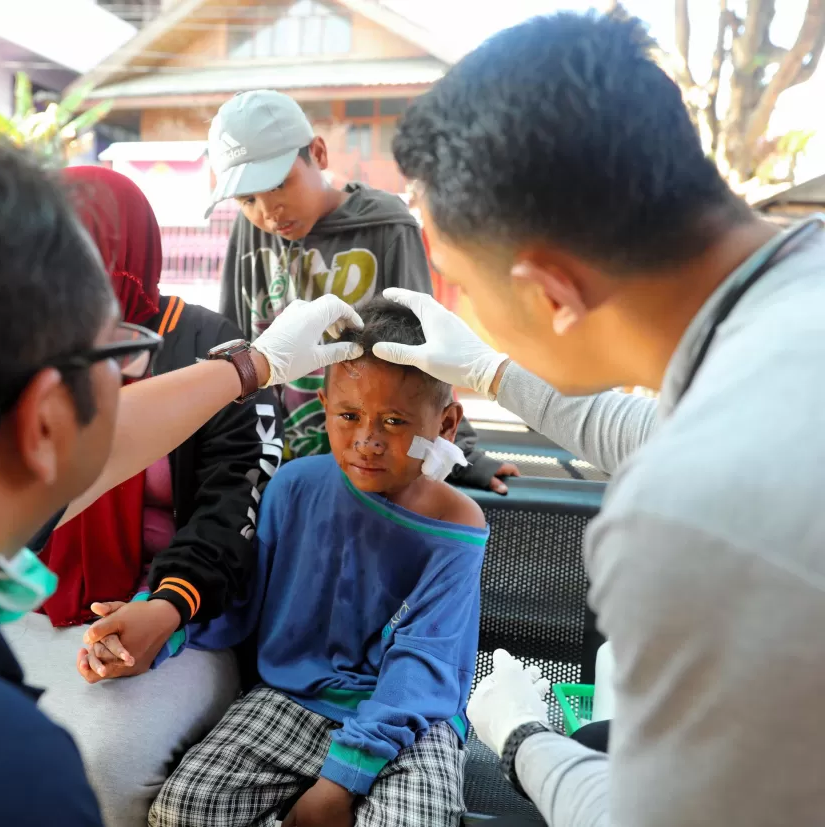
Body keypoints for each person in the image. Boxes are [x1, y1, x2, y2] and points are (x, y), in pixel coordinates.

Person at [0, 125, 361, 826]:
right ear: (45, 418)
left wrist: (252, 367)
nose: (131, 375)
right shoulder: (6, 772)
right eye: (117, 353)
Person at [373, 10, 825, 827]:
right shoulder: (787, 309)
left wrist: (521, 737)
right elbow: (669, 425)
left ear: (551, 294)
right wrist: (490, 369)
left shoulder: (683, 518)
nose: (463, 308)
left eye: (462, 286)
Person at [0, 166, 282, 827]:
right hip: (36, 599)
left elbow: (237, 498)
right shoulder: (27, 347)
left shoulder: (213, 350)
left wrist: (168, 605)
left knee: (100, 760)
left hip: (181, 620)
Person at [139, 297, 489, 827]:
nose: (367, 441)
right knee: (183, 809)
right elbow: (239, 603)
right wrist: (159, 623)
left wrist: (338, 783)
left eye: (394, 421)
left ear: (445, 423)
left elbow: (423, 669)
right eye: (349, 416)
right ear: (324, 405)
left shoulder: (457, 526)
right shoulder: (293, 487)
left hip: (409, 721)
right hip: (294, 697)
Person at [208, 89, 517, 491]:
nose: (268, 211)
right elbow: (234, 337)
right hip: (276, 465)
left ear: (317, 154)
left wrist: (463, 455)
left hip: (372, 458)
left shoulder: (387, 226)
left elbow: (424, 343)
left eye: (280, 184)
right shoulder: (249, 232)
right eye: (247, 199)